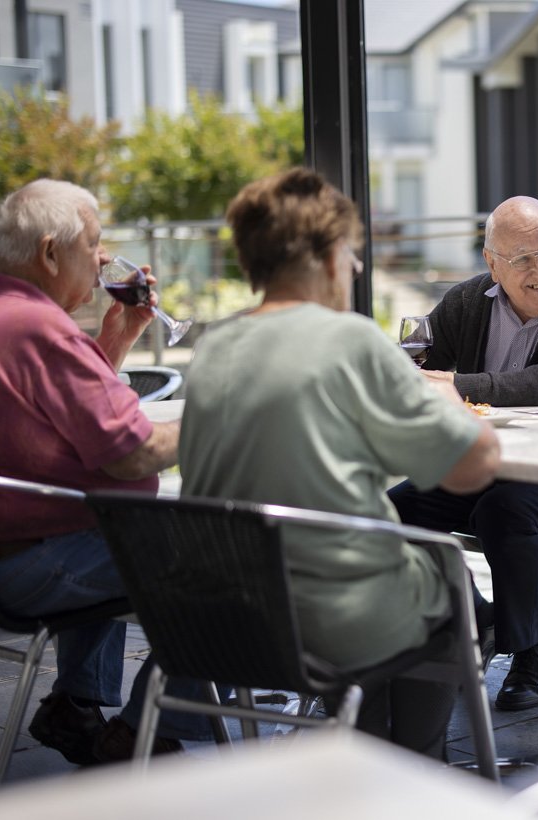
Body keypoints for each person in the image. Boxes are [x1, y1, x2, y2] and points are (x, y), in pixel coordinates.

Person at [177, 167, 501, 757]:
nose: (355, 268)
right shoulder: (350, 340)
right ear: (329, 258)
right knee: (457, 594)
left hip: (226, 615)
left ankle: (365, 756)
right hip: (333, 619)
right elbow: (473, 468)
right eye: (352, 253)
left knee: (403, 579)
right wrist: (458, 405)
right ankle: (411, 772)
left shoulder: (214, 347)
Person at [0, 179, 206, 765]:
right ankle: (147, 727)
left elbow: (61, 413)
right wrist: (218, 418)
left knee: (120, 525)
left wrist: (115, 339)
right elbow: (130, 453)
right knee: (226, 566)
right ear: (51, 253)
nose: (104, 259)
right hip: (28, 565)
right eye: (95, 243)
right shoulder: (37, 328)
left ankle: (75, 707)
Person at [389, 195, 538, 711]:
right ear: (492, 263)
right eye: (523, 259)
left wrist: (458, 386)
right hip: (486, 462)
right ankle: (477, 618)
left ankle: (532, 651)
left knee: (506, 510)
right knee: (392, 512)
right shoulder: (467, 301)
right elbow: (417, 364)